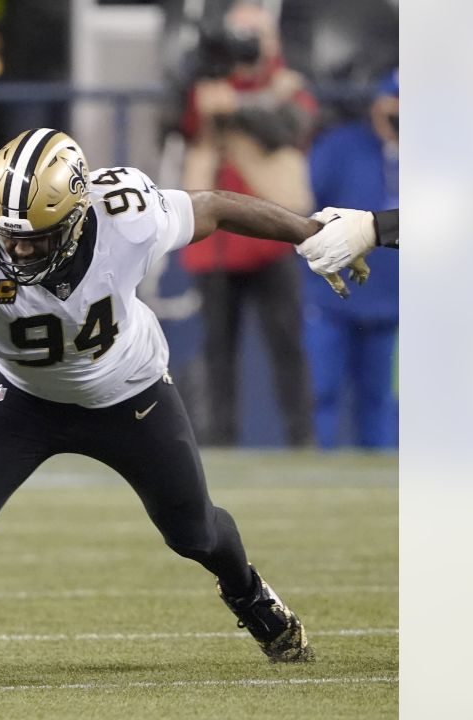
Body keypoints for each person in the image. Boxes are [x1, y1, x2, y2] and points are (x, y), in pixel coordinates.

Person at [0, 128, 326, 664]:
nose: (19, 249)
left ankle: (247, 592)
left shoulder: (125, 213)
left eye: (37, 237)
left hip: (129, 392)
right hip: (20, 398)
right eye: (9, 235)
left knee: (195, 534)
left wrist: (308, 233)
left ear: (76, 216)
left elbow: (216, 207)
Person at [178, 1, 317, 446]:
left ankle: (302, 441)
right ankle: (220, 442)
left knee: (287, 346)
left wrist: (234, 106)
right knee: (218, 351)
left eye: (252, 36)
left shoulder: (286, 82)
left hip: (271, 233)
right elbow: (172, 122)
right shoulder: (202, 81)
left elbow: (290, 127)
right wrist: (193, 72)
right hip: (214, 239)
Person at [298, 70, 400, 448]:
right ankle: (313, 484)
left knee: (380, 402)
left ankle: (382, 493)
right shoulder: (340, 147)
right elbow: (303, 210)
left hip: (394, 303)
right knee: (320, 392)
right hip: (331, 296)